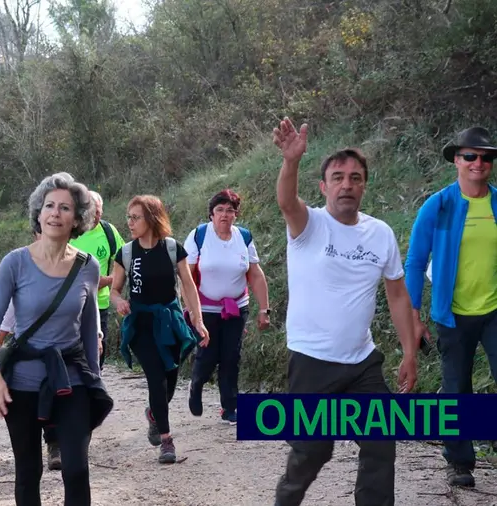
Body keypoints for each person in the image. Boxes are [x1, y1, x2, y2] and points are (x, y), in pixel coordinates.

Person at [271, 118, 418, 506]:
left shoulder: (380, 233)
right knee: (312, 452)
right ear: (324, 187)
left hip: (361, 362)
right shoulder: (309, 225)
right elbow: (287, 201)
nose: (346, 185)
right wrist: (291, 162)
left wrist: (409, 352)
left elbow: (398, 295)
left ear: (364, 185)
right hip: (312, 361)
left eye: (355, 178)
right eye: (337, 177)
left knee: (382, 437)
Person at [0, 172, 113, 506]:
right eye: (49, 206)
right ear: (38, 214)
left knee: (76, 470)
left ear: (77, 218)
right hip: (21, 383)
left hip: (71, 379)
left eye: (65, 208)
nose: (56, 213)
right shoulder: (15, 263)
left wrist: (94, 381)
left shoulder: (89, 267)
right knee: (28, 471)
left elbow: (88, 329)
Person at [404, 126, 497, 489]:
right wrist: (413, 316)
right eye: (471, 156)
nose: (479, 163)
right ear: (457, 160)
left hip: (493, 311)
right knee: (457, 387)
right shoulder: (439, 205)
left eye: (486, 157)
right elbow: (414, 261)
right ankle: (460, 461)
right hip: (452, 314)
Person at [110, 195, 209, 464]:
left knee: (171, 377)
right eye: (128, 217)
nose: (129, 222)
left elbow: (188, 286)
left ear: (152, 218)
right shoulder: (127, 252)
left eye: (135, 217)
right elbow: (114, 290)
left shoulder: (173, 248)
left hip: (170, 320)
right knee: (156, 377)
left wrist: (197, 321)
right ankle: (166, 440)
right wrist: (119, 301)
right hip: (141, 323)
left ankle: (154, 413)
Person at [183, 189, 271, 425]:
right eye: (219, 210)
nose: (224, 215)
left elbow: (255, 274)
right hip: (205, 309)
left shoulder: (243, 237)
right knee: (208, 355)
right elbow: (186, 276)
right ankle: (197, 385)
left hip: (236, 307)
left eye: (229, 210)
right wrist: (191, 310)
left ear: (236, 214)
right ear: (211, 214)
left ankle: (229, 406)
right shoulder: (199, 236)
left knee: (231, 356)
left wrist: (265, 308)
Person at [70, 191, 124, 370]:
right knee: (72, 357)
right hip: (69, 306)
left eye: (100, 211)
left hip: (99, 305)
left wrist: (107, 280)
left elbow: (124, 262)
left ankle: (93, 389)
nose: (97, 216)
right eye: (93, 211)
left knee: (96, 356)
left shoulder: (109, 231)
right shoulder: (69, 231)